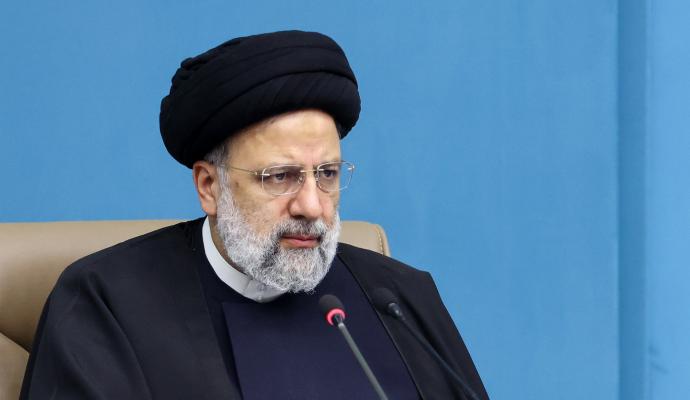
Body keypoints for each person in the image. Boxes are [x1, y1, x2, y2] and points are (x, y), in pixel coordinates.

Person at [20, 30, 488, 399]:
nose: (312, 206)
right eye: (280, 176)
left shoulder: (399, 299)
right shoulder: (105, 303)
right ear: (209, 186)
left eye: (326, 173)